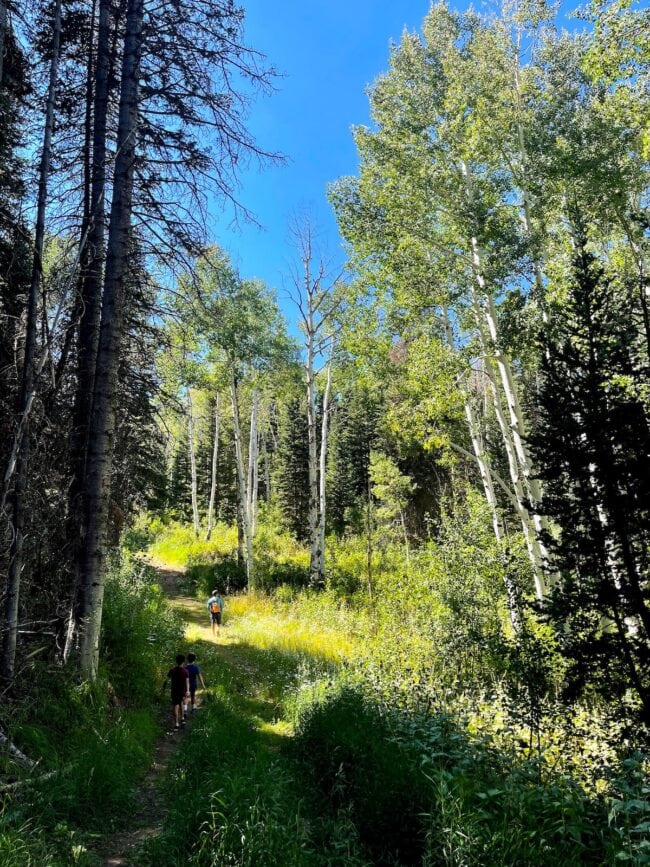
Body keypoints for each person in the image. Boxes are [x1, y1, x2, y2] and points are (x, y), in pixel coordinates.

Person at [164, 653, 189, 730]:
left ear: (176, 661)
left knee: (175, 705)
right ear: (183, 662)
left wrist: (163, 688)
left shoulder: (172, 670)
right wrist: (188, 691)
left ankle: (176, 724)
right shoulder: (185, 671)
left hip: (174, 691)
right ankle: (182, 719)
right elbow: (187, 682)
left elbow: (167, 680)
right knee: (181, 703)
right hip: (182, 691)